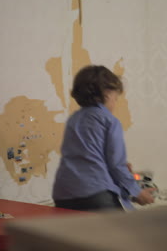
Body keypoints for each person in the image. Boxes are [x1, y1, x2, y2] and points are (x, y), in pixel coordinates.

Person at [52, 65, 155, 211]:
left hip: (63, 193)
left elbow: (87, 156)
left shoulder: (73, 120)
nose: (115, 103)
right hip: (95, 194)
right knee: (125, 231)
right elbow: (116, 165)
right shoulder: (109, 121)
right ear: (106, 94)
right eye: (115, 98)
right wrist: (137, 192)